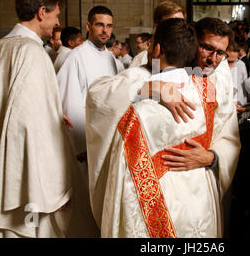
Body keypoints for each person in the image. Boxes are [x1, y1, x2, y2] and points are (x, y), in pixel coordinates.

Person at [0, 0, 98, 238]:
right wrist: (52, 189)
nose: (57, 23)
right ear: (41, 12)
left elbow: (12, 110)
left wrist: (53, 116)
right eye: (56, 16)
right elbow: (27, 126)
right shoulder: (31, 52)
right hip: (27, 178)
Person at [86, 17, 240, 237]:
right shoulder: (151, 67)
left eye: (221, 53)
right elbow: (100, 96)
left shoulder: (219, 78)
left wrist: (212, 157)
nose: (213, 60)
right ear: (193, 42)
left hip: (199, 183)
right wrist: (148, 86)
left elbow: (229, 134)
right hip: (165, 196)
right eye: (207, 48)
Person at [57, 5, 119, 190]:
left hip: (107, 137)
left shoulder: (111, 59)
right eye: (100, 25)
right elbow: (70, 102)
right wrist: (81, 144)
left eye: (109, 26)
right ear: (88, 26)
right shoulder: (76, 57)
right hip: (87, 140)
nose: (105, 30)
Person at [130, 0, 185, 68]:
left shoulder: (189, 58)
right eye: (172, 25)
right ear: (157, 27)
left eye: (182, 24)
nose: (178, 29)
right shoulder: (141, 59)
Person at [226, 42, 248, 107]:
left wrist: (242, 100)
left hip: (239, 101)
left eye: (234, 61)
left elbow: (244, 83)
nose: (232, 65)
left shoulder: (241, 65)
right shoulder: (217, 67)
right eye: (229, 62)